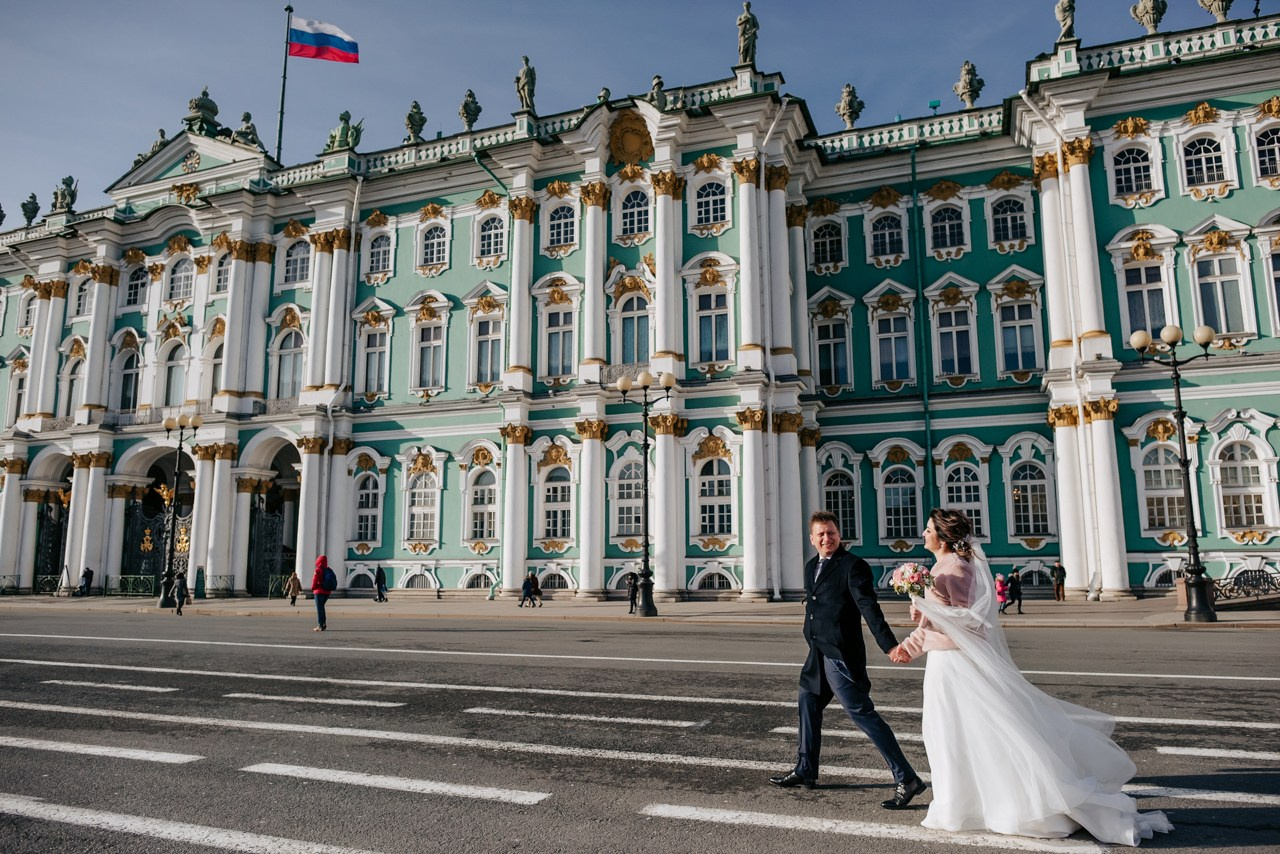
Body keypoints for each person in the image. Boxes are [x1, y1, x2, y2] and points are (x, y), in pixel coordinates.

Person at [889, 508, 1172, 846]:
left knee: (956, 734)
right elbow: (939, 623)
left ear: (944, 537)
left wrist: (926, 609)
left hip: (954, 666)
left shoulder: (952, 570)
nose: (923, 534)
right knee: (956, 735)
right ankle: (962, 804)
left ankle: (963, 807)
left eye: (928, 529)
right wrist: (914, 634)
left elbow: (967, 626)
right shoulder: (946, 568)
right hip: (946, 663)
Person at [769, 510, 925, 809]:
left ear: (839, 534)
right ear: (812, 539)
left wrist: (890, 646)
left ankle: (907, 777)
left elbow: (869, 608)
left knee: (861, 713)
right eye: (822, 534)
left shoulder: (853, 566)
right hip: (818, 652)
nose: (828, 538)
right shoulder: (811, 565)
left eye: (832, 532)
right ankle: (806, 769)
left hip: (840, 654)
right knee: (807, 703)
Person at [311, 556, 333, 632]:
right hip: (327, 591)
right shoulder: (329, 570)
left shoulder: (318, 570)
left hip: (319, 591)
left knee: (319, 608)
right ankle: (323, 624)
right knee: (322, 607)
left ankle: (320, 625)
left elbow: (315, 580)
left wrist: (313, 588)